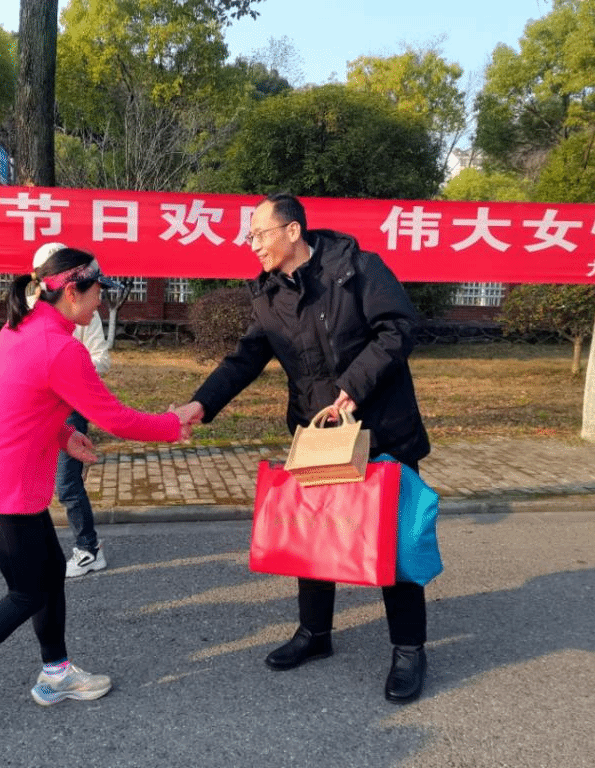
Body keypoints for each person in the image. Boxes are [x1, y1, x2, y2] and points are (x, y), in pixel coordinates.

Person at [0, 247, 197, 754]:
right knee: (27, 593)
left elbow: (17, 398)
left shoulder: (20, 329)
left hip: (6, 481)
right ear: (73, 291)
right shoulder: (62, 348)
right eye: (98, 293)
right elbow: (116, 417)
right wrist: (172, 424)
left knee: (51, 571)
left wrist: (62, 435)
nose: (101, 303)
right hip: (5, 490)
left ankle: (56, 672)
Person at [180, 192, 433, 704]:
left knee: (394, 541)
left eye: (259, 234)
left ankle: (409, 650)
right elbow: (245, 358)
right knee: (313, 535)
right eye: (250, 237)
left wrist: (354, 385)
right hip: (317, 434)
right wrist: (201, 404)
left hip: (382, 429)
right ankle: (314, 634)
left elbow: (398, 328)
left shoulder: (357, 268)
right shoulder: (268, 294)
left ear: (292, 231)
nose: (252, 244)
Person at [0, 242, 112, 577]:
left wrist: (69, 376)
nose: (100, 301)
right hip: (30, 412)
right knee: (10, 479)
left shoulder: (81, 309)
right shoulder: (25, 312)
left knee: (66, 483)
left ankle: (88, 547)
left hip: (67, 404)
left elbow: (101, 367)